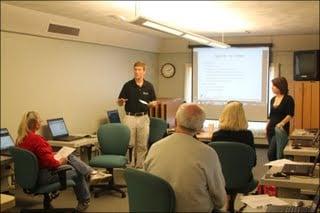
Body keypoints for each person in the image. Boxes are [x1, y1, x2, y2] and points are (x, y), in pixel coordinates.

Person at [15, 111, 109, 211]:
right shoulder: (36, 139)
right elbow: (51, 164)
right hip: (42, 177)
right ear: (34, 123)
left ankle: (91, 173)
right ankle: (85, 200)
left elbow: (36, 157)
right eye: (39, 120)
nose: (41, 121)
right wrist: (60, 162)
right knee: (77, 171)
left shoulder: (20, 139)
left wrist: (53, 155)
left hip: (30, 177)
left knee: (70, 156)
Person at [144, 103, 226, 212]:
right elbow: (220, 200)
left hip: (158, 207)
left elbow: (147, 181)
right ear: (200, 127)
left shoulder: (155, 147)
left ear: (176, 121)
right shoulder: (208, 154)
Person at [118, 61, 157, 168]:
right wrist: (121, 102)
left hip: (144, 117)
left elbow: (154, 101)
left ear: (144, 71)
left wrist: (153, 104)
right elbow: (120, 101)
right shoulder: (127, 85)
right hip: (130, 117)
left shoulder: (149, 86)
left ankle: (140, 165)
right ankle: (130, 165)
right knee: (130, 143)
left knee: (142, 144)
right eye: (135, 69)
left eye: (139, 70)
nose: (137, 72)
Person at [211, 101, 256, 165]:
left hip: (220, 173)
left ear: (224, 115)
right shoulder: (248, 135)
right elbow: (253, 162)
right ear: (242, 117)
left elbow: (213, 160)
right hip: (242, 173)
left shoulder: (216, 135)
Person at [266, 77, 295, 161]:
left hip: (280, 130)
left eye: (274, 85)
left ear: (280, 86)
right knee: (273, 153)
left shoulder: (288, 99)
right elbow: (271, 116)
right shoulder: (272, 99)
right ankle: (272, 172)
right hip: (270, 129)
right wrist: (267, 126)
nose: (272, 87)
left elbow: (290, 114)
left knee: (271, 153)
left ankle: (275, 171)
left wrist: (282, 123)